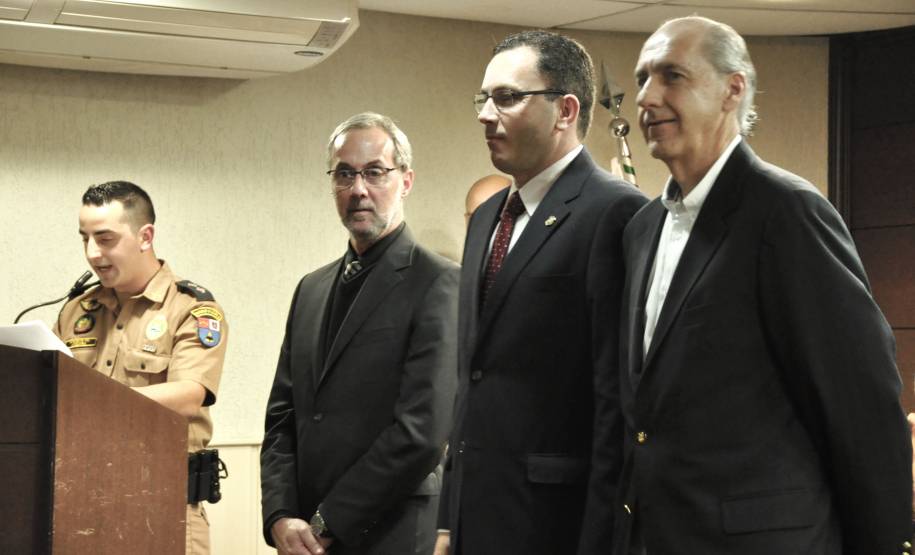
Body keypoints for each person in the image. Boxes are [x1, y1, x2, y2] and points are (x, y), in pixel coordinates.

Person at [616, 15, 912, 554]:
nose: (647, 97)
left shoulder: (786, 213)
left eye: (672, 75)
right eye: (642, 78)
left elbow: (861, 404)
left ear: (733, 90)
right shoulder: (642, 229)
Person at [436, 30, 647, 555]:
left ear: (565, 111)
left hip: (556, 524)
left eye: (507, 98)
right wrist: (447, 522)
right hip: (475, 519)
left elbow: (617, 402)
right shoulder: (487, 217)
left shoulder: (614, 211)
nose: (486, 115)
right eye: (484, 98)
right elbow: (472, 380)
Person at [260, 112, 459, 555]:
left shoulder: (438, 282)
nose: (358, 189)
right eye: (344, 174)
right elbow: (282, 415)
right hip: (302, 534)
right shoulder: (311, 288)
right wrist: (280, 514)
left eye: (374, 172)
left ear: (405, 181)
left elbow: (421, 432)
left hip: (389, 531)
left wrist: (329, 521)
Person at [54, 180, 228, 555]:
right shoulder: (77, 311)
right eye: (85, 238)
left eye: (105, 239)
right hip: (83, 505)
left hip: (165, 507)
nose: (92, 253)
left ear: (145, 236)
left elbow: (189, 394)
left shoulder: (191, 308)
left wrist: (94, 401)